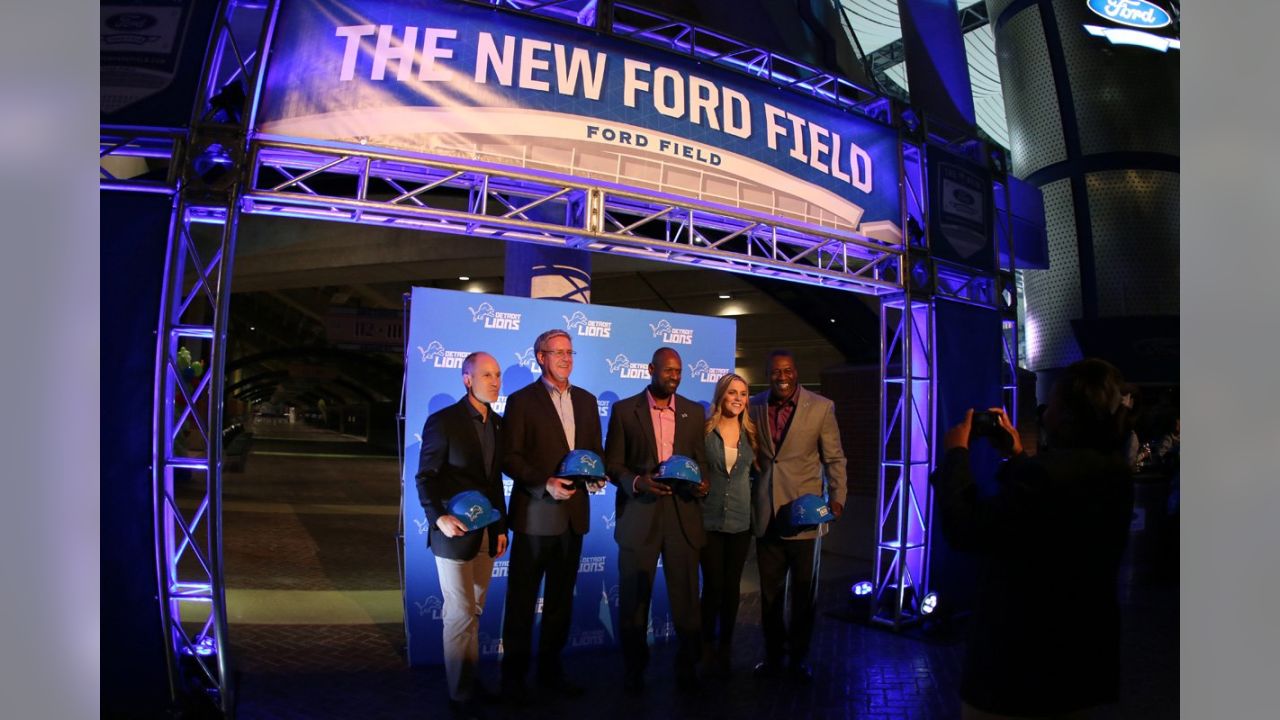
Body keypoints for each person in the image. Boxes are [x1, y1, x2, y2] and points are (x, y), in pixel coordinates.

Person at [932, 358, 1135, 720]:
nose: (1042, 416)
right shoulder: (1115, 473)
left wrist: (955, 455)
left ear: (1069, 416)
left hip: (1020, 669)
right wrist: (1017, 456)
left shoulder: (1046, 477)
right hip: (1079, 663)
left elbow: (966, 528)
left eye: (1051, 406)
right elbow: (1044, 516)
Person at [499, 329, 604, 700]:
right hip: (535, 515)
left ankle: (550, 672)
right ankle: (512, 680)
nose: (565, 358)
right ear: (539, 356)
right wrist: (545, 483)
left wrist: (595, 478)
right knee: (522, 600)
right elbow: (509, 457)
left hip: (574, 517)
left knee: (560, 602)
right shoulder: (522, 400)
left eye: (569, 352)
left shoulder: (588, 402)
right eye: (557, 352)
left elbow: (593, 454)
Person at [604, 347, 709, 694]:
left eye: (678, 371)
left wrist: (701, 484)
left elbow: (700, 462)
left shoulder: (695, 412)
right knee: (635, 602)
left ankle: (688, 667)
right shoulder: (624, 411)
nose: (674, 377)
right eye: (668, 371)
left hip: (683, 516)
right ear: (651, 369)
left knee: (687, 601)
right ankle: (634, 670)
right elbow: (613, 464)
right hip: (640, 515)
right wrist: (636, 482)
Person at [415, 352, 509, 720]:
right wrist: (438, 518)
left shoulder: (498, 425)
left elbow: (495, 483)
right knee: (459, 614)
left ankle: (469, 680)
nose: (495, 381)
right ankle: (459, 694)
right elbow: (426, 477)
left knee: (475, 611)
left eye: (498, 375)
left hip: (487, 533)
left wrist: (500, 527)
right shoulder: (444, 421)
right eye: (487, 374)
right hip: (453, 534)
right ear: (467, 379)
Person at [747, 349, 847, 683]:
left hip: (804, 516)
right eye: (775, 371)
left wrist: (837, 500)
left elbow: (834, 458)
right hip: (766, 516)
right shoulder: (754, 404)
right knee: (770, 595)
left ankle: (799, 658)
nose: (782, 376)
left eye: (787, 370)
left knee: (804, 595)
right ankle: (774, 656)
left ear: (796, 371)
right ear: (768, 373)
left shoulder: (821, 407)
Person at [698, 372, 759, 677]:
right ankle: (706, 645)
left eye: (743, 394)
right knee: (712, 586)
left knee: (732, 587)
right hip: (709, 520)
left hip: (740, 521)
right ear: (721, 395)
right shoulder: (704, 430)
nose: (738, 398)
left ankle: (726, 644)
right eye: (733, 392)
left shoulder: (752, 434)